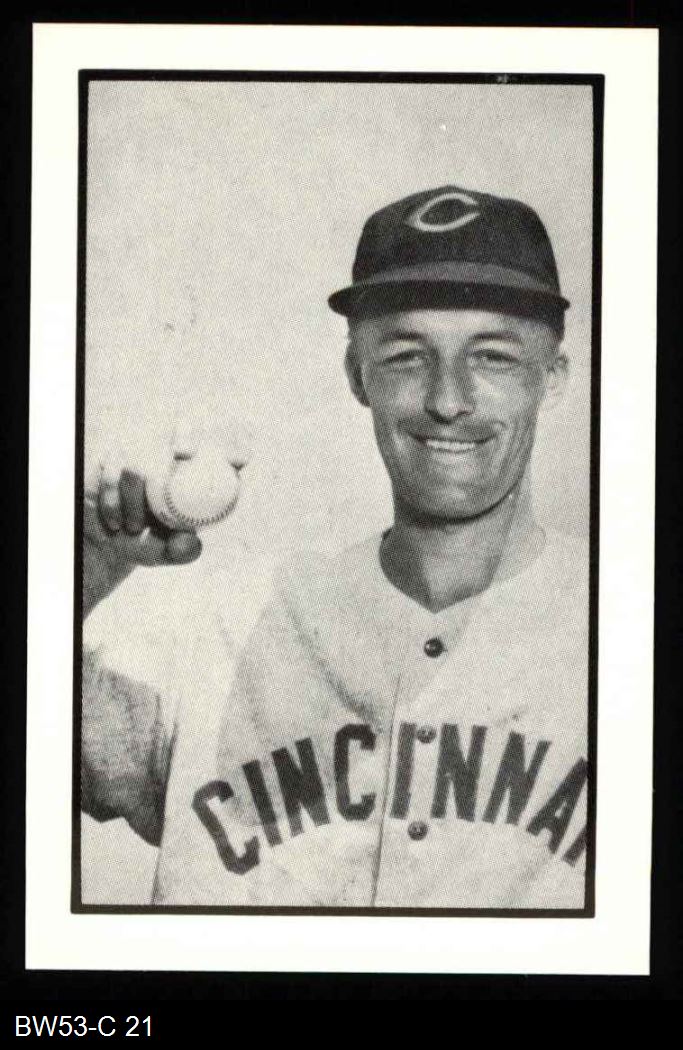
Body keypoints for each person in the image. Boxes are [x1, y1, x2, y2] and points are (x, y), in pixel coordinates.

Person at [82, 185, 589, 908]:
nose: (448, 399)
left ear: (553, 378)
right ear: (358, 376)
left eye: (493, 358)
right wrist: (85, 564)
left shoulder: (626, 637)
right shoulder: (228, 628)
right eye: (407, 356)